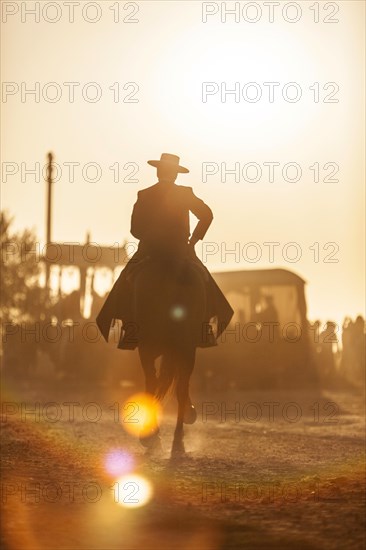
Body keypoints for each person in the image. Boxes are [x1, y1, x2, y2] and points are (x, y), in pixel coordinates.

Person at [96, 153, 233, 349]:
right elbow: (207, 215)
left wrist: (151, 236)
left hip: (149, 251)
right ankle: (205, 330)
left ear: (158, 172)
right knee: (204, 279)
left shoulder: (144, 194)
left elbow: (135, 230)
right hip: (180, 251)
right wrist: (193, 241)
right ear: (176, 175)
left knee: (126, 281)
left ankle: (130, 328)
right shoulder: (185, 193)